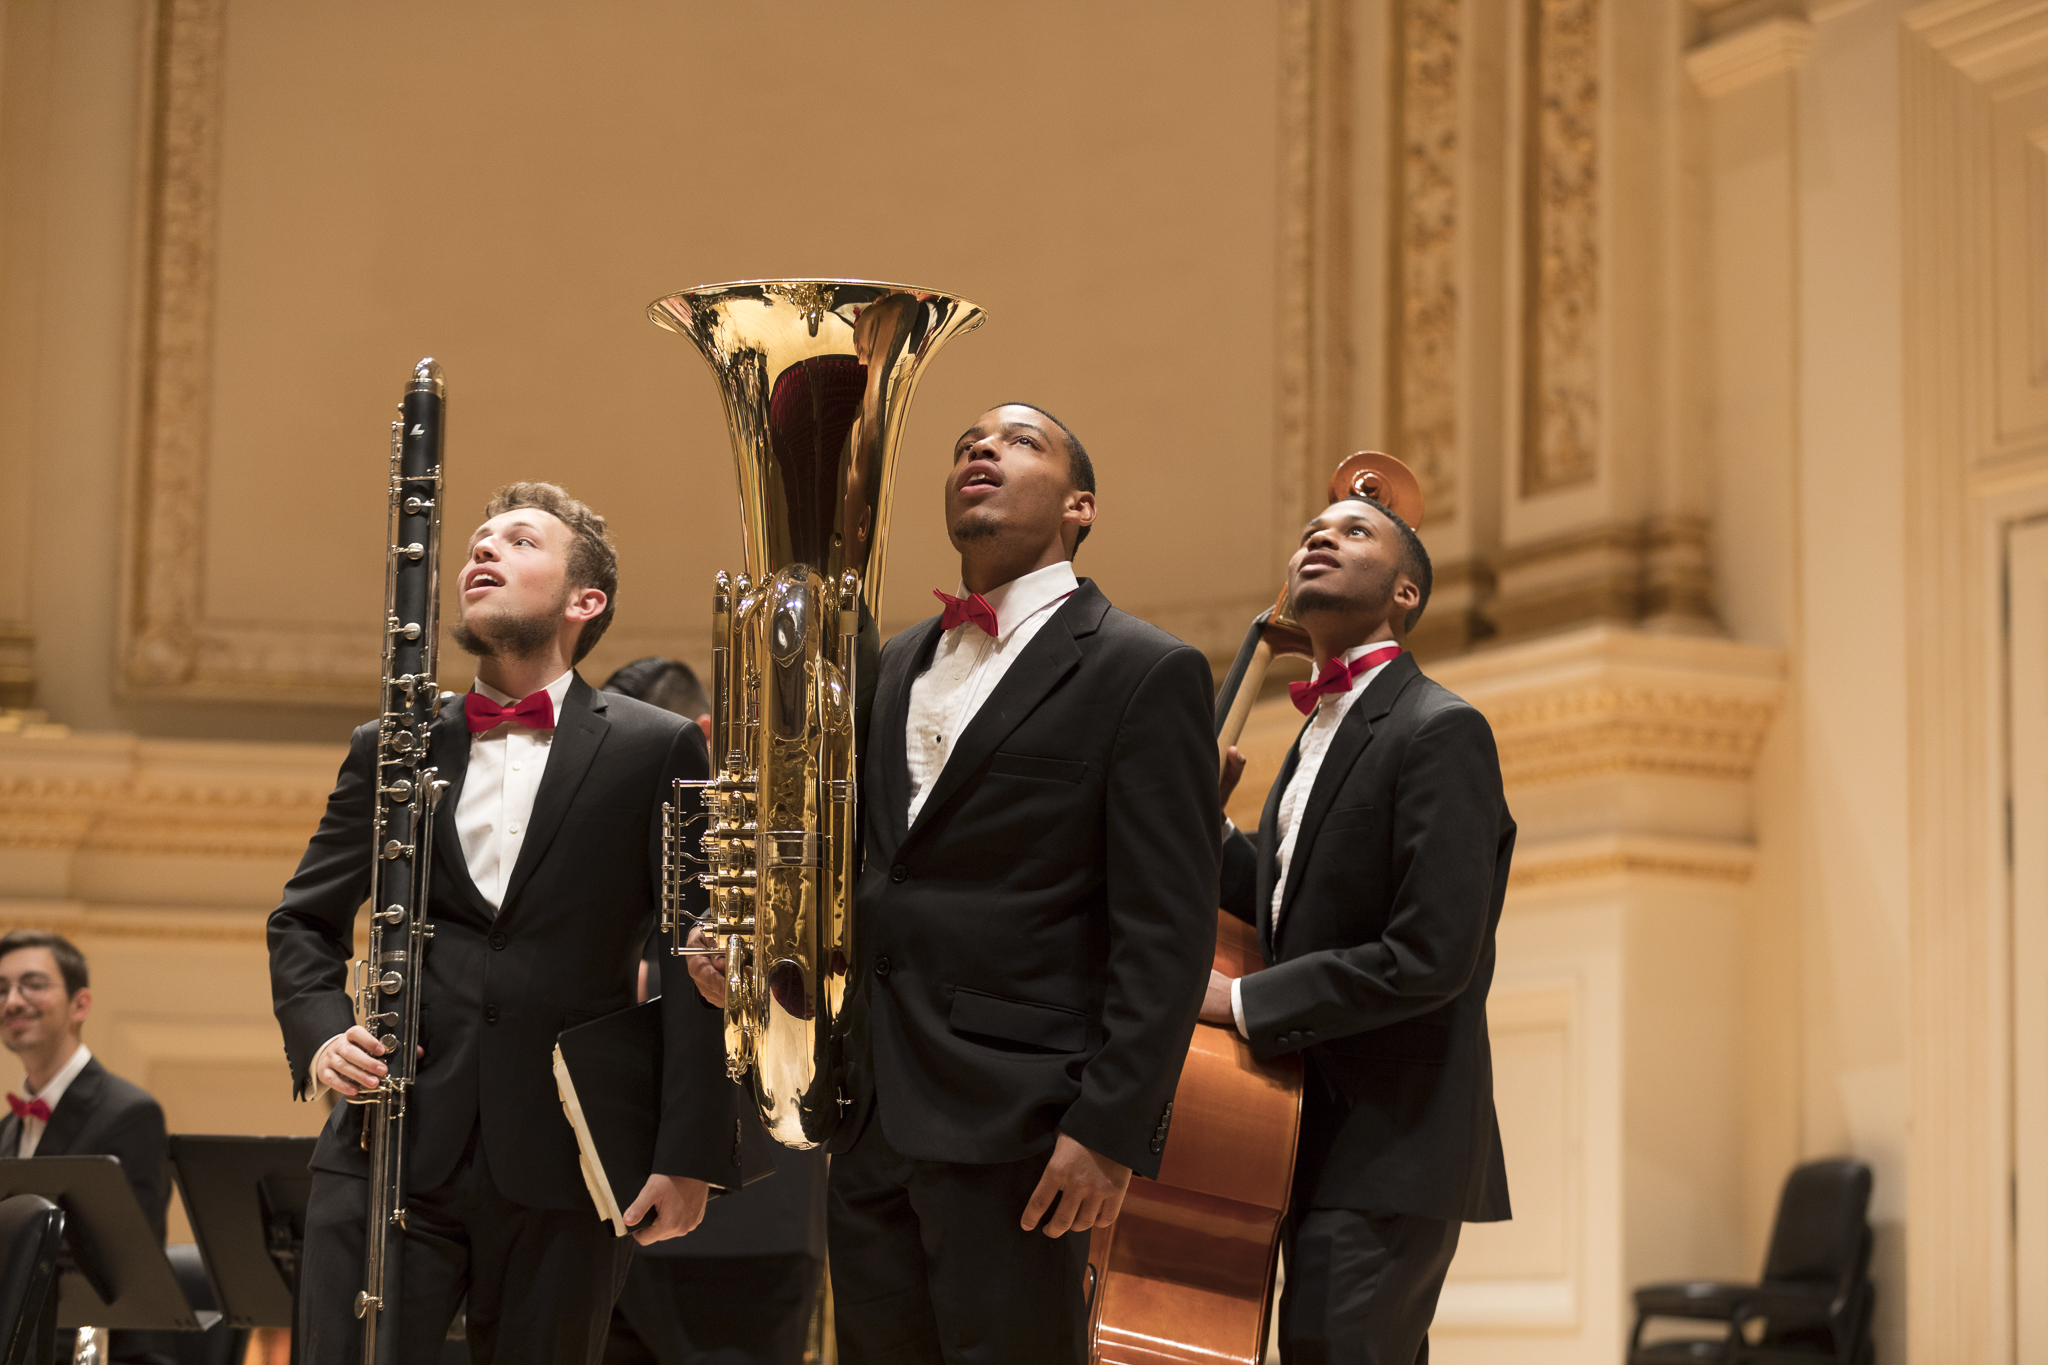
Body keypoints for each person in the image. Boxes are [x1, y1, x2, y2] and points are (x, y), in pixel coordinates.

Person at [696, 403, 1221, 1364]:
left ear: (1081, 507)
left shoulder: (1147, 671)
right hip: (870, 1113)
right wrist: (755, 950)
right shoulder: (893, 658)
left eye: (1022, 442)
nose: (981, 449)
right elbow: (859, 870)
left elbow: (1167, 927)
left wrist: (1108, 1128)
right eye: (967, 443)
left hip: (1023, 1124)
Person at [269, 483, 731, 1365]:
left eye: (518, 541)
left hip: (567, 1154)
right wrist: (323, 1034)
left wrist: (688, 1152)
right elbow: (302, 920)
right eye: (477, 542)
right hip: (392, 1143)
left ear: (582, 601)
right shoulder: (391, 744)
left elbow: (691, 958)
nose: (481, 551)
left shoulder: (656, 745)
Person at [1207, 493, 1514, 1362]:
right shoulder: (1314, 733)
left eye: (1353, 531)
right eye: (1311, 528)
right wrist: (1205, 829)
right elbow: (1281, 900)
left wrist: (1241, 1001)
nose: (1318, 537)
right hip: (1312, 1135)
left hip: (1390, 1141)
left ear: (1404, 595)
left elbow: (1429, 954)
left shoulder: (1441, 728)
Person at [599, 658, 827, 1365]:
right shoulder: (621, 856)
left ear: (697, 737)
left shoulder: (787, 854)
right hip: (610, 1223)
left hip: (746, 1231)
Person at [0, 930, 172, 1365]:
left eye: (33, 985)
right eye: (1, 990)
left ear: (80, 1005)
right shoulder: (6, 1129)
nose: (13, 1001)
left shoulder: (129, 1113)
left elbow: (120, 1274)